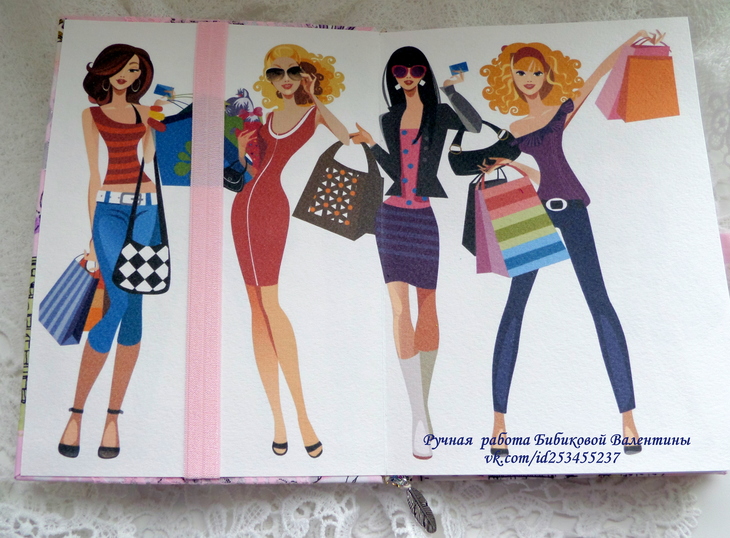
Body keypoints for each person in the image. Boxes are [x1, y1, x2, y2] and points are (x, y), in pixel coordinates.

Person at [480, 33, 650, 455]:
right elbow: (525, 172)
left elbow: (596, 75)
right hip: (530, 211)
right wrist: (509, 165)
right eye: (521, 72)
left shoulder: (559, 111)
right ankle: (498, 423)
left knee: (599, 301)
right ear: (511, 79)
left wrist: (630, 42)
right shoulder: (514, 130)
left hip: (572, 207)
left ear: (546, 75)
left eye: (535, 71)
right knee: (515, 306)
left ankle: (629, 420)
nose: (529, 78)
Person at [351, 46, 481, 459]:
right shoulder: (389, 119)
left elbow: (475, 125)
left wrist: (451, 91)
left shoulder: (438, 114)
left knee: (428, 305)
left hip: (423, 217)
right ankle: (418, 415)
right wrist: (372, 145)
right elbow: (395, 171)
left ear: (424, 73)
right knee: (400, 310)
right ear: (392, 76)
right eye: (399, 70)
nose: (407, 75)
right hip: (390, 217)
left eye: (415, 69)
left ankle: (423, 407)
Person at [231, 44, 349, 458]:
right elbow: (251, 171)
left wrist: (315, 97)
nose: (284, 79)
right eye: (275, 73)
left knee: (271, 303)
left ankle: (303, 417)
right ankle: (278, 420)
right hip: (242, 206)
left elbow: (345, 137)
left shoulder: (312, 113)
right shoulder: (264, 119)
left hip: (271, 209)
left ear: (306, 74)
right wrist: (243, 151)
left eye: (293, 71)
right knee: (255, 307)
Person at [58, 44, 160, 459]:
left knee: (134, 308)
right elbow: (93, 173)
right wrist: (91, 235)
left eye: (134, 70)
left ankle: (112, 419)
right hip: (108, 211)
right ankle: (76, 413)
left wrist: (154, 129)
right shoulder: (92, 115)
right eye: (120, 67)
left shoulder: (144, 112)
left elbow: (149, 159)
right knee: (116, 302)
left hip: (146, 208)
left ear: (139, 76)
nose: (126, 75)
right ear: (105, 70)